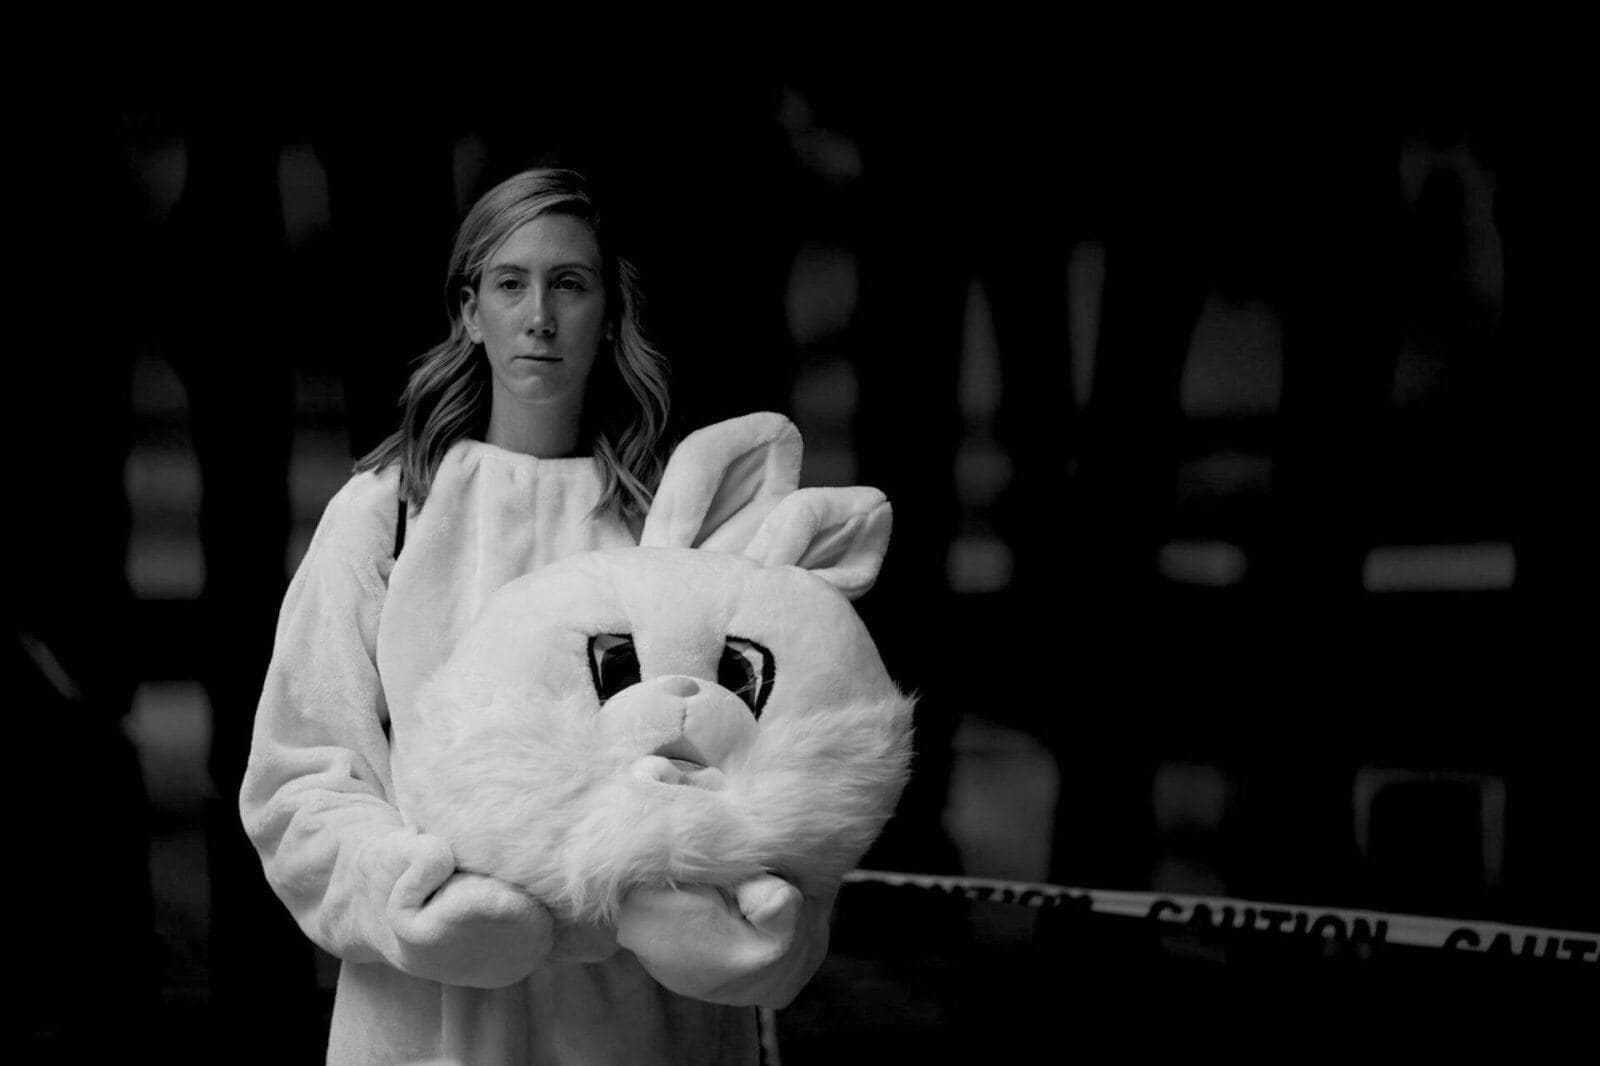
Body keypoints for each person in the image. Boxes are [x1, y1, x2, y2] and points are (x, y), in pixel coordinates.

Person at [240, 168, 827, 1064]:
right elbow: (299, 775)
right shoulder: (388, 515)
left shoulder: (671, 527)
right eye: (510, 283)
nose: (540, 316)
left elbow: (762, 758)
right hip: (431, 1022)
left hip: (640, 1025)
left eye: (570, 284)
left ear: (610, 311)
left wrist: (704, 902)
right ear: (470, 310)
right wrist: (417, 902)